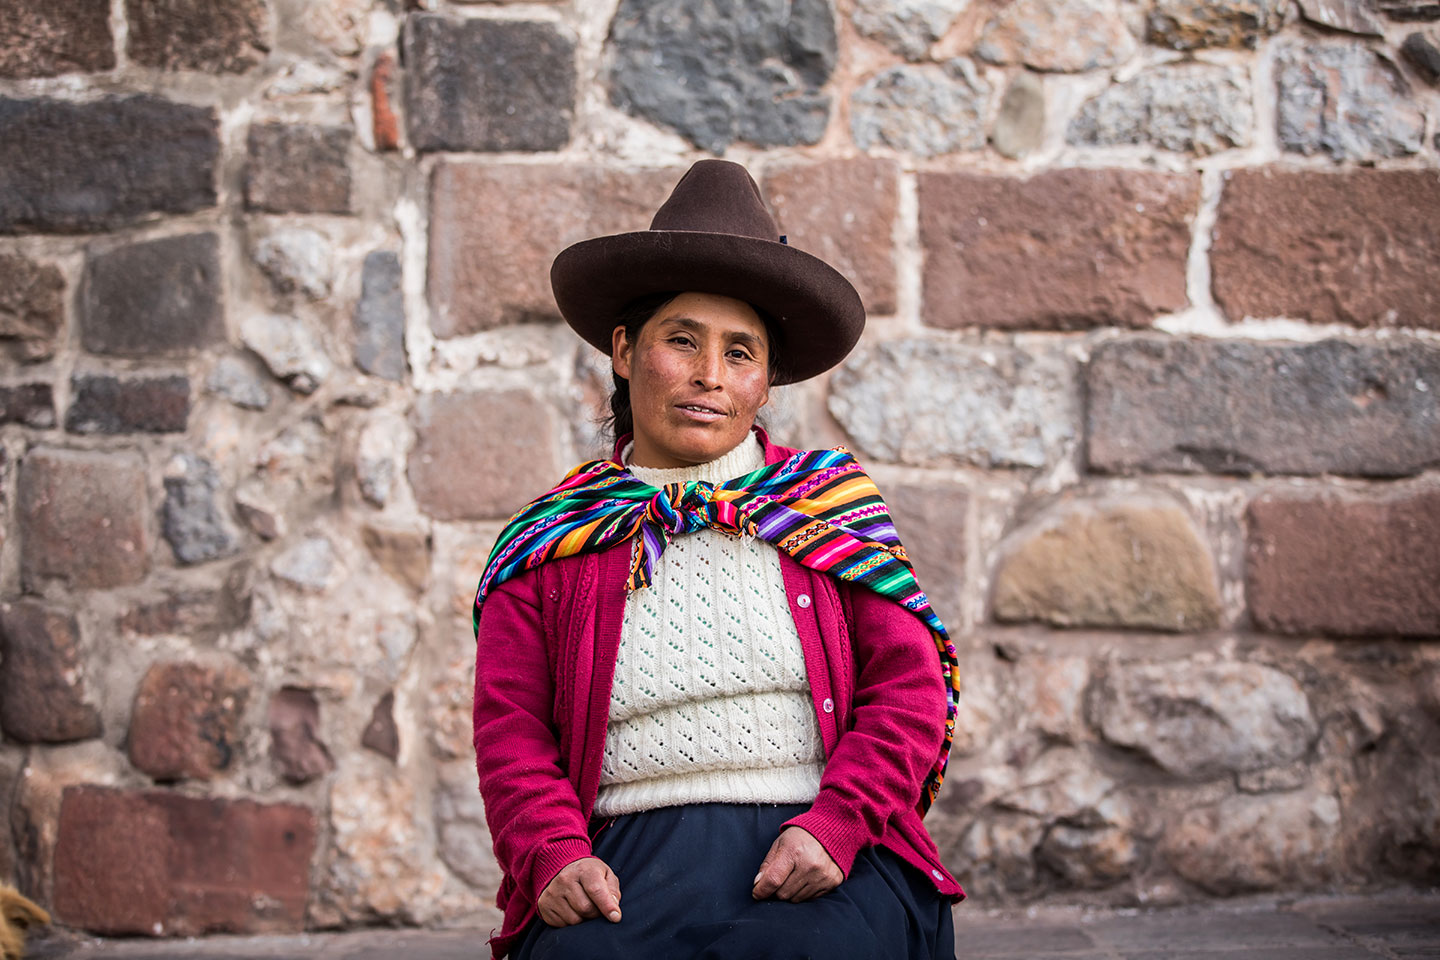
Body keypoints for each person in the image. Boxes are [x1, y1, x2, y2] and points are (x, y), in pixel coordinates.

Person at [470, 158, 965, 960]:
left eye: (741, 353)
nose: (709, 375)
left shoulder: (824, 509)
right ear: (627, 351)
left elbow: (908, 692)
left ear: (765, 383)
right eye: (681, 341)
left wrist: (837, 827)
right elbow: (510, 728)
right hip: (625, 859)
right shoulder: (552, 541)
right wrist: (554, 852)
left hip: (818, 840)